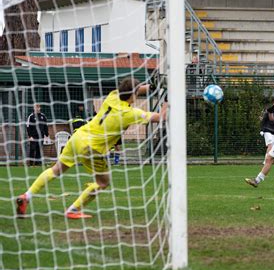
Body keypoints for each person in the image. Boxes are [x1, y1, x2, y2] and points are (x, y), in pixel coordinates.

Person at [16, 77, 167, 219]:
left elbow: (133, 89)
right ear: (133, 94)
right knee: (103, 182)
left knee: (56, 170)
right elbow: (161, 117)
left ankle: (26, 196)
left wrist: (153, 86)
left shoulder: (112, 96)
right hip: (92, 148)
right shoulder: (129, 113)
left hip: (78, 137)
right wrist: (168, 98)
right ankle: (73, 210)